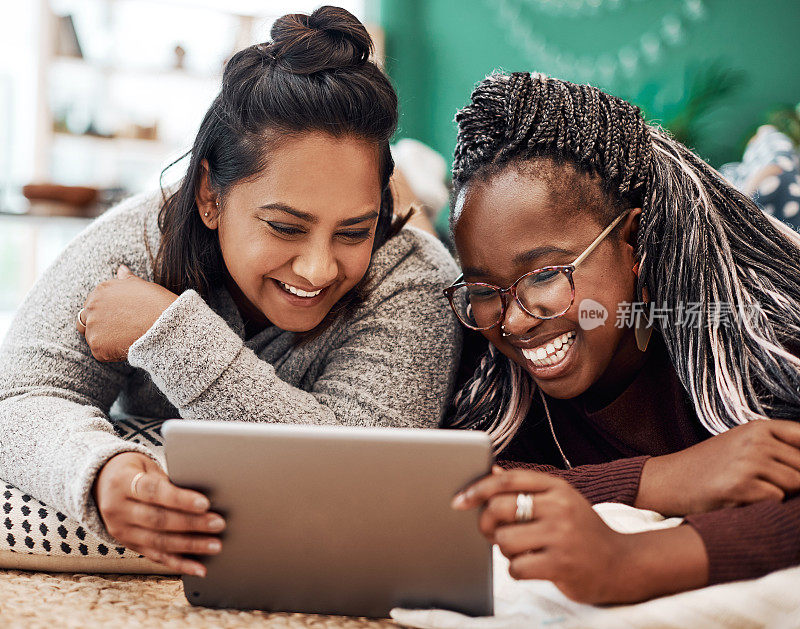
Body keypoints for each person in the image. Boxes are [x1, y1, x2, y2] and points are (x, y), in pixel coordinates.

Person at [0, 6, 460, 576]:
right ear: (208, 196)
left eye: (354, 232)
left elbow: (363, 477)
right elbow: (19, 397)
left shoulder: (414, 279)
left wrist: (169, 335)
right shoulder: (138, 239)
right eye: (285, 227)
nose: (317, 270)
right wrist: (101, 470)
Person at [444, 72, 800, 604]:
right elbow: (458, 485)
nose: (513, 322)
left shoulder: (749, 337)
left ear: (632, 241)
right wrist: (656, 480)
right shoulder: (491, 355)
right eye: (483, 288)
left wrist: (634, 562)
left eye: (544, 275)